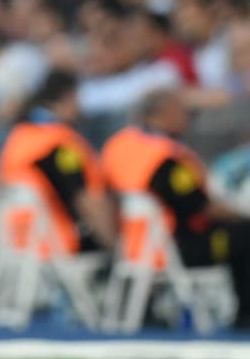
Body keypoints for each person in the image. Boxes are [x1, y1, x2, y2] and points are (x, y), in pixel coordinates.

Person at [102, 89, 250, 331]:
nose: (187, 118)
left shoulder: (118, 144)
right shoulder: (166, 156)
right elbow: (200, 208)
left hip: (127, 245)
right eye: (181, 111)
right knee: (245, 234)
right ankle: (246, 316)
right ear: (163, 114)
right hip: (174, 249)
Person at [0, 70, 117, 257]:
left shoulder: (20, 135)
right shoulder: (58, 145)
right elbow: (87, 200)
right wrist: (116, 248)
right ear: (69, 97)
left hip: (19, 241)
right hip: (57, 243)